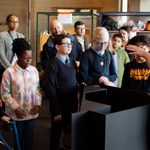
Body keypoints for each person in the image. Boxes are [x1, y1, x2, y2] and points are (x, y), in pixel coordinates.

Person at [1, 38, 42, 150]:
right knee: (18, 142)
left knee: (29, 140)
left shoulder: (34, 71)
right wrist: (16, 108)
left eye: (31, 58)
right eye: (25, 58)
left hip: (32, 114)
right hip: (16, 115)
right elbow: (5, 93)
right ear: (18, 56)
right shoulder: (9, 72)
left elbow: (38, 90)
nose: (29, 60)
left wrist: (38, 105)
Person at [44, 34, 78, 150]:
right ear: (57, 46)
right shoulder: (52, 64)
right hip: (59, 106)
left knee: (70, 132)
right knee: (56, 133)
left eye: (70, 44)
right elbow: (50, 88)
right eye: (66, 44)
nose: (69, 46)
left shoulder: (72, 61)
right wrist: (56, 110)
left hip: (72, 104)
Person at [0, 14, 25, 80]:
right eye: (12, 21)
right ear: (7, 23)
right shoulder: (2, 35)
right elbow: (1, 53)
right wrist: (10, 68)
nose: (14, 24)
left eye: (16, 22)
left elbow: (25, 52)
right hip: (5, 68)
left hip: (19, 69)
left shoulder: (21, 36)